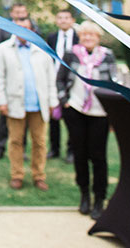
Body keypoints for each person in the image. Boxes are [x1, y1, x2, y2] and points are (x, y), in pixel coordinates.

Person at [56, 20, 115, 219]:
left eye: (91, 35)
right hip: (75, 109)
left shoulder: (107, 56)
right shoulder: (71, 54)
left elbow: (114, 84)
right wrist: (64, 100)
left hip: (100, 112)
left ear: (98, 38)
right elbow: (60, 79)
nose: (87, 38)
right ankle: (84, 195)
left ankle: (100, 198)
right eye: (84, 35)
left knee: (98, 156)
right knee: (79, 154)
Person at [0, 17, 58, 191]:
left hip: (39, 103)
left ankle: (39, 175)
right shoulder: (4, 49)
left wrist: (53, 101)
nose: (22, 31)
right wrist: (2, 101)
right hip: (15, 103)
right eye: (19, 28)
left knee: (39, 142)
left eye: (26, 28)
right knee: (15, 141)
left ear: (32, 30)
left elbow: (50, 77)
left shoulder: (42, 48)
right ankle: (17, 175)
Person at [0, 2, 37, 161]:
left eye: (22, 11)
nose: (19, 14)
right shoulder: (4, 28)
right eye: (16, 11)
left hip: (24, 80)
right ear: (12, 13)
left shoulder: (33, 26)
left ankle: (21, 149)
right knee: (4, 120)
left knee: (22, 117)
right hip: (9, 76)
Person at [46, 10, 79, 161]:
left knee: (71, 117)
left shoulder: (79, 38)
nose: (63, 20)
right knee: (54, 117)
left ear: (72, 20)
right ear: (56, 20)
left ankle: (71, 150)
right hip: (52, 80)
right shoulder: (51, 38)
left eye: (66, 18)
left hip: (70, 82)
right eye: (60, 17)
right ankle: (54, 148)